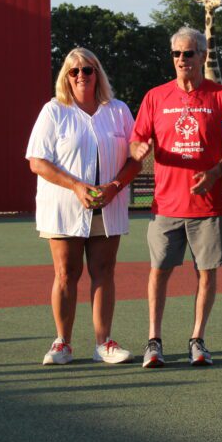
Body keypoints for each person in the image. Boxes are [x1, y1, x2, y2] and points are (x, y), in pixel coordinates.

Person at [129, 27, 222, 368]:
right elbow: (136, 142)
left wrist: (216, 173)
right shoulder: (155, 97)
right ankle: (154, 341)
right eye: (176, 54)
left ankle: (197, 339)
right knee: (159, 271)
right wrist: (139, 149)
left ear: (202, 56)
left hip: (209, 207)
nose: (181, 60)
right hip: (167, 205)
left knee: (206, 272)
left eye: (189, 53)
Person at [26, 47, 142, 366]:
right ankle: (62, 342)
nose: (80, 76)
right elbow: (37, 161)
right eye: (73, 71)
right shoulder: (54, 111)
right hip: (64, 206)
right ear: (65, 76)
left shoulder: (117, 110)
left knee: (104, 271)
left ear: (97, 74)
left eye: (87, 70)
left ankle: (103, 343)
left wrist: (114, 186)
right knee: (66, 273)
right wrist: (76, 186)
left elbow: (135, 157)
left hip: (109, 203)